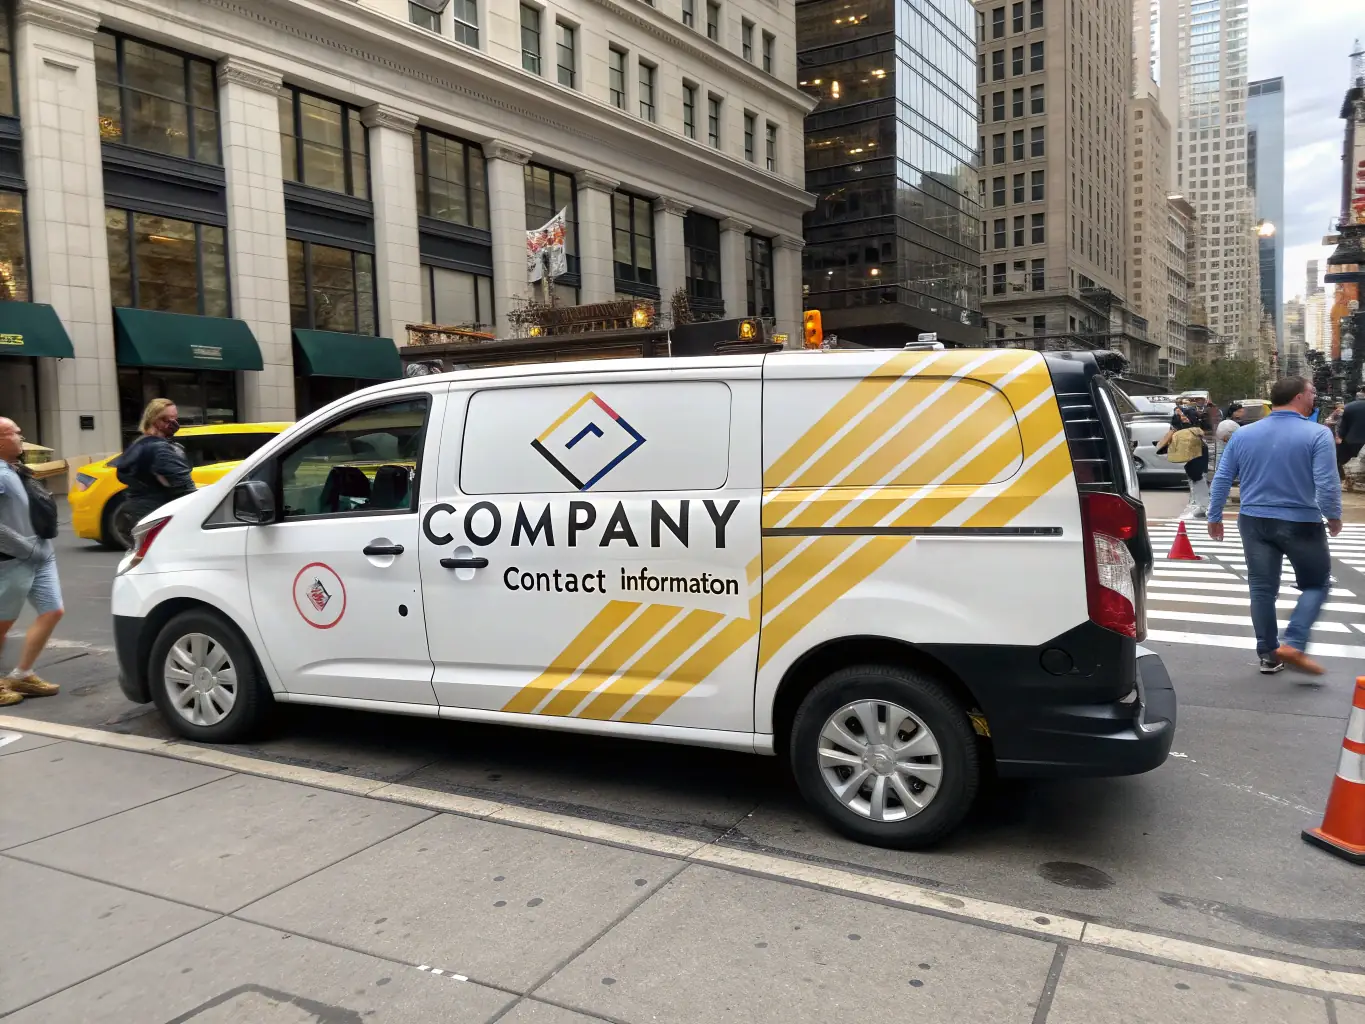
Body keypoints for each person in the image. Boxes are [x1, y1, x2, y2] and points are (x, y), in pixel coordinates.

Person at [1207, 376, 1342, 675]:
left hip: (1254, 520)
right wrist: (1333, 515)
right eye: (1312, 392)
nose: (1314, 397)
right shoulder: (1317, 434)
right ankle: (1293, 642)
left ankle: (1269, 654)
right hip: (1300, 520)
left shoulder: (1243, 435)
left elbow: (1222, 476)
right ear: (1297, 397)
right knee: (1317, 583)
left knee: (1262, 589)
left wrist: (1214, 515)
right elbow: (1326, 482)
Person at [0, 417, 63, 706]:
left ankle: (22, 674)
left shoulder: (13, 467)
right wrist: (24, 547)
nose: (21, 437)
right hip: (13, 559)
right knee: (1, 625)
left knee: (52, 611)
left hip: (41, 554)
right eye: (15, 433)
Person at [112, 399, 195, 545]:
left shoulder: (141, 443)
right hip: (157, 517)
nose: (173, 423)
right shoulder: (160, 449)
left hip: (140, 515)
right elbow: (184, 487)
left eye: (175, 419)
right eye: (166, 419)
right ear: (153, 419)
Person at [1164, 394, 1211, 517]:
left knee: (1198, 476)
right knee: (1193, 475)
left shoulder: (1194, 418)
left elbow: (1202, 428)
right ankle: (1197, 504)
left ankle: (1202, 506)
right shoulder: (1180, 417)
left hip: (1197, 448)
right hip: (1192, 448)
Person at [1334, 390, 1365, 490]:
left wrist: (1340, 437)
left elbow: (1343, 427)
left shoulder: (1349, 407)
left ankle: (1346, 482)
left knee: (1344, 463)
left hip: (1351, 441)